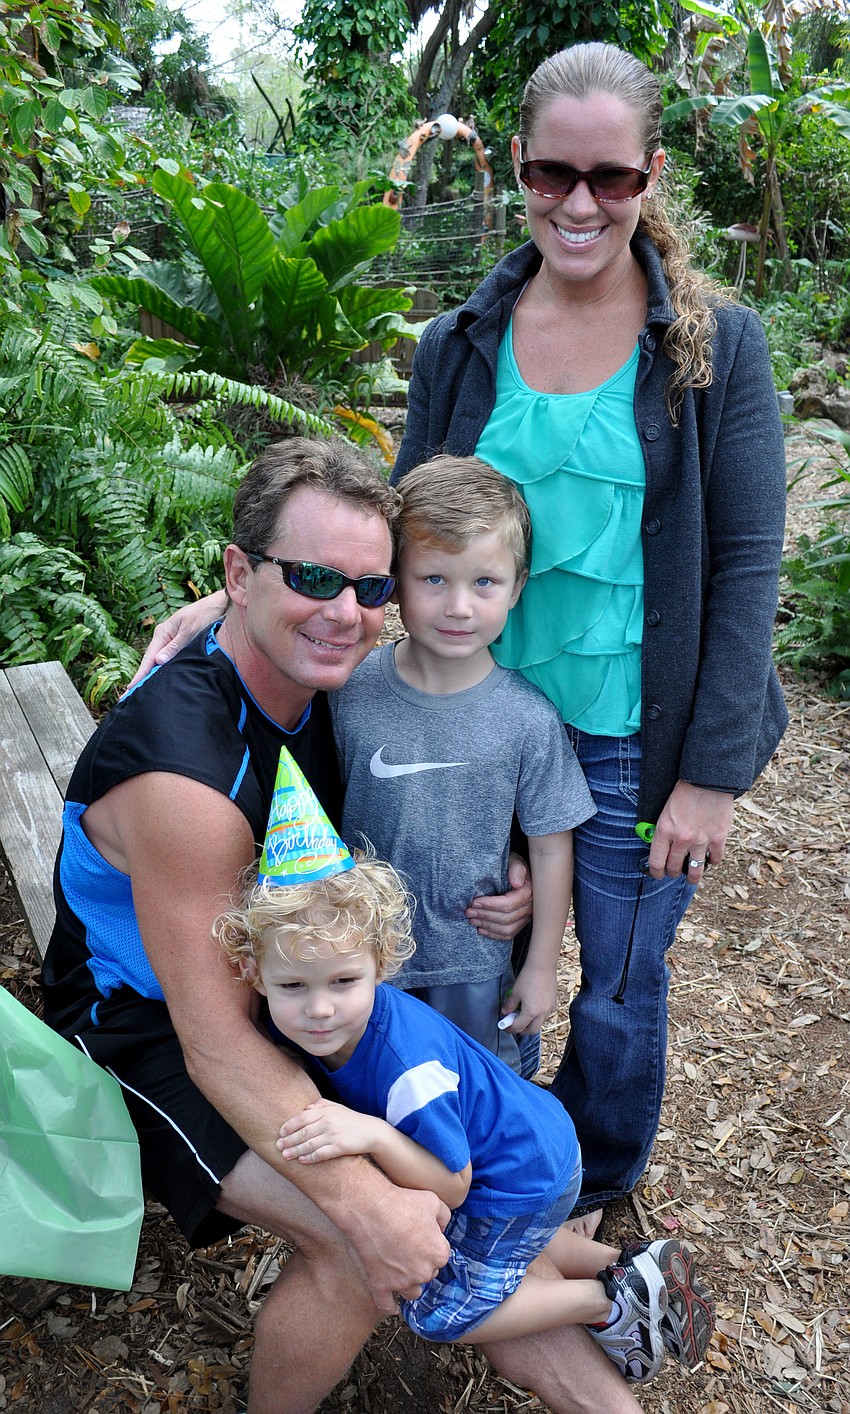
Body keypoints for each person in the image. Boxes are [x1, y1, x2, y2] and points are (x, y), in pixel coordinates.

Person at [42, 437, 650, 1414]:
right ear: (239, 572)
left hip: (313, 985)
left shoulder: (327, 674)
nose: (344, 611)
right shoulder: (186, 780)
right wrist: (368, 1203)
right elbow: (216, 1045)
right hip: (154, 1027)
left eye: (369, 587)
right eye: (314, 577)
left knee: (470, 1188)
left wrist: (523, 877)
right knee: (364, 1240)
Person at [390, 41, 789, 1235]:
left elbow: (744, 563)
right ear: (517, 168)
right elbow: (403, 523)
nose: (579, 203)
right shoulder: (459, 343)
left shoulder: (718, 345)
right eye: (554, 173)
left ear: (650, 175)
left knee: (613, 981)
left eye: (610, 178)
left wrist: (711, 774)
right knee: (468, 948)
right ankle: (486, 1148)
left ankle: (598, 1166)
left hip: (635, 734)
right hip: (483, 719)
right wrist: (243, 595)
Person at [214, 750, 714, 1383]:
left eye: (343, 980)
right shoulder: (348, 1019)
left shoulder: (406, 1073)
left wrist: (370, 1134)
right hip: (529, 1139)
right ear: (254, 974)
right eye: (292, 987)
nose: (319, 1008)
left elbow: (452, 1184)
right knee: (493, 1240)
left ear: (380, 962)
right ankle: (632, 1263)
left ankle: (614, 1301)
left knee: (437, 1309)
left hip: (520, 1174)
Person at [330, 454, 596, 1073]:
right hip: (356, 960)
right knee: (369, 1100)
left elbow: (552, 846)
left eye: (484, 583)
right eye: (434, 580)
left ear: (517, 587)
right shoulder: (349, 688)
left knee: (476, 1109)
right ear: (394, 578)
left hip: (472, 966)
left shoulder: (527, 718)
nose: (458, 607)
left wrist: (540, 967)